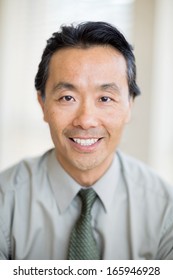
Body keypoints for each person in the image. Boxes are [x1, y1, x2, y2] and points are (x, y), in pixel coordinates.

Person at [0, 21, 173, 260]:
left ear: (129, 105)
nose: (86, 120)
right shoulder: (5, 200)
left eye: (105, 98)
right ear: (43, 104)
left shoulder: (165, 209)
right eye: (67, 97)